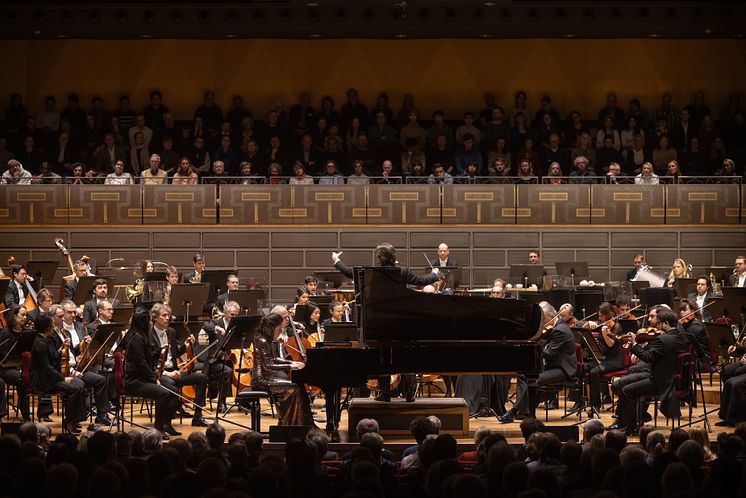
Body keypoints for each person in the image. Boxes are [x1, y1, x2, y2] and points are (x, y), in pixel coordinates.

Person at [332, 243, 440, 402]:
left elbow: (350, 273)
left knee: (383, 357)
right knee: (405, 356)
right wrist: (435, 273)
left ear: (379, 258)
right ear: (393, 256)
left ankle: (385, 393)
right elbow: (421, 281)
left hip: (381, 323)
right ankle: (410, 394)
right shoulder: (402, 271)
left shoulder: (373, 273)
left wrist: (336, 260)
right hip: (401, 322)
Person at [612, 306, 690, 434]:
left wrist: (635, 345)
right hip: (667, 376)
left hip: (660, 380)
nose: (657, 326)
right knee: (624, 384)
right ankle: (630, 421)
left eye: (659, 323)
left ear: (665, 323)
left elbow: (648, 358)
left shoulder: (662, 339)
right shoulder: (681, 337)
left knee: (626, 391)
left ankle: (629, 427)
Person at [499, 302, 576, 423]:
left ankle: (517, 412)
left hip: (563, 369)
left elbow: (550, 353)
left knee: (532, 379)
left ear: (551, 316)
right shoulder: (557, 327)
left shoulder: (560, 330)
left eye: (544, 318)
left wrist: (538, 346)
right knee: (523, 375)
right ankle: (523, 411)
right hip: (554, 366)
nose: (542, 322)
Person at [47, 303, 112, 426]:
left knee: (101, 380)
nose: (73, 315)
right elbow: (54, 360)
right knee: (79, 384)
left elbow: (72, 352)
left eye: (74, 312)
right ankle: (74, 419)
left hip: (76, 367)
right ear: (52, 318)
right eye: (60, 316)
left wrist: (84, 344)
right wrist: (71, 371)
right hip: (64, 371)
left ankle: (101, 415)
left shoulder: (64, 332)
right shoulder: (50, 336)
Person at [149, 303, 209, 427]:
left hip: (174, 371)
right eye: (164, 315)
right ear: (155, 318)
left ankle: (197, 416)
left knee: (202, 378)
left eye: (168, 316)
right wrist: (167, 373)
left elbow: (175, 354)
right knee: (172, 386)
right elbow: (149, 362)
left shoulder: (171, 332)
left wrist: (187, 344)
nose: (167, 318)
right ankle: (167, 423)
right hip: (160, 374)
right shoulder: (149, 335)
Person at [124, 311, 181, 437]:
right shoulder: (136, 339)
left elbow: (148, 358)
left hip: (142, 378)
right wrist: (154, 379)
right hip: (134, 381)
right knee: (163, 394)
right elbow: (141, 364)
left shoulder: (142, 336)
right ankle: (158, 428)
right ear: (143, 323)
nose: (150, 323)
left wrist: (160, 350)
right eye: (149, 321)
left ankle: (167, 424)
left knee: (172, 390)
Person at [251, 312, 314, 426]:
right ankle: (289, 423)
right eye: (279, 329)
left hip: (267, 378)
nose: (280, 332)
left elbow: (274, 358)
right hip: (261, 380)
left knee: (298, 385)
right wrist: (290, 366)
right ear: (272, 328)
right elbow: (269, 365)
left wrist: (292, 362)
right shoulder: (262, 341)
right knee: (293, 387)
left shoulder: (266, 339)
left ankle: (304, 423)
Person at [30, 314, 87, 435]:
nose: (54, 326)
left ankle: (75, 420)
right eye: (52, 324)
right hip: (42, 381)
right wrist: (63, 378)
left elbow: (53, 357)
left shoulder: (44, 339)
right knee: (74, 388)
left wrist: (62, 349)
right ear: (47, 328)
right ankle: (69, 422)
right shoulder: (40, 343)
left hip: (49, 377)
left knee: (80, 383)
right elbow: (46, 368)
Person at [586, 303, 625, 410]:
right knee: (587, 367)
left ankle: (595, 405)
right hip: (604, 359)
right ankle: (591, 401)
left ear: (608, 315)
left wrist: (603, 333)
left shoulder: (616, 326)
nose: (599, 318)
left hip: (615, 361)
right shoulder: (601, 324)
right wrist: (588, 323)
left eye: (601, 316)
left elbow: (611, 344)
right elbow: (582, 327)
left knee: (594, 372)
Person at [0, 304, 32, 421]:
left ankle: (26, 412)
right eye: (22, 315)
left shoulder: (26, 332)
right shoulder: (5, 333)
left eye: (26, 315)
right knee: (21, 379)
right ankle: (25, 414)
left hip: (21, 367)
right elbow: (5, 356)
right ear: (14, 316)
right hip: (6, 369)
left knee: (29, 376)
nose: (25, 317)